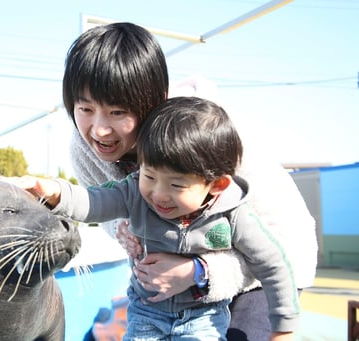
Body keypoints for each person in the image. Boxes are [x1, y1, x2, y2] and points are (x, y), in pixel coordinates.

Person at [60, 22, 317, 341]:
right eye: (85, 108)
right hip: (181, 282)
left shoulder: (204, 139)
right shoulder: (84, 148)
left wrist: (199, 272)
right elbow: (115, 215)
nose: (98, 129)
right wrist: (128, 236)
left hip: (266, 265)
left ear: (154, 101)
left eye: (117, 112)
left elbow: (274, 251)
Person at [12, 96, 300, 340]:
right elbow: (95, 200)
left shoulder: (234, 214)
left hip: (204, 319)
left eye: (177, 185)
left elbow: (273, 265)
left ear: (216, 185)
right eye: (149, 176)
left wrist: (283, 327)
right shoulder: (135, 192)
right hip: (146, 314)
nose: (159, 194)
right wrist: (54, 192)